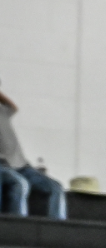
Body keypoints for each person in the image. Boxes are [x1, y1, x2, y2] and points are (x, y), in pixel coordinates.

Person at [0, 84, 64, 221]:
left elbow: (13, 107)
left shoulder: (2, 109)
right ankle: (18, 226)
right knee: (20, 184)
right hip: (2, 166)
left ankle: (58, 225)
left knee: (56, 188)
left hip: (21, 165)